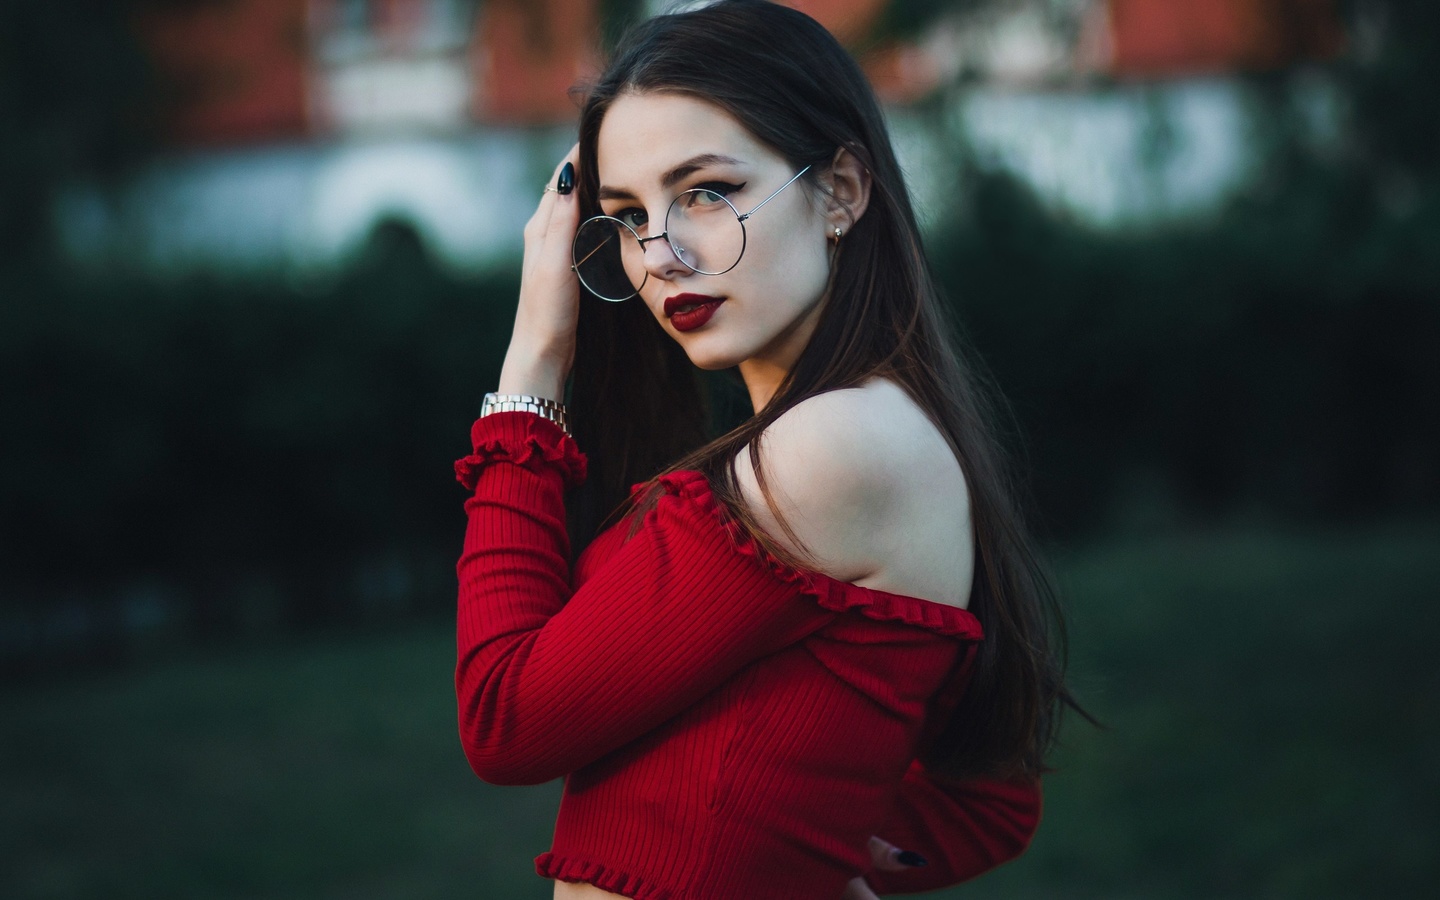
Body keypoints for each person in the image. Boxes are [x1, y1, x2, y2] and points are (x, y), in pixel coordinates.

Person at [453, 2, 1079, 897]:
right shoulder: (858, 433)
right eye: (627, 216)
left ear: (842, 192)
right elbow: (992, 797)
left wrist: (533, 364)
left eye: (707, 191)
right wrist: (806, 848)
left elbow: (503, 717)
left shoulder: (833, 448)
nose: (660, 253)